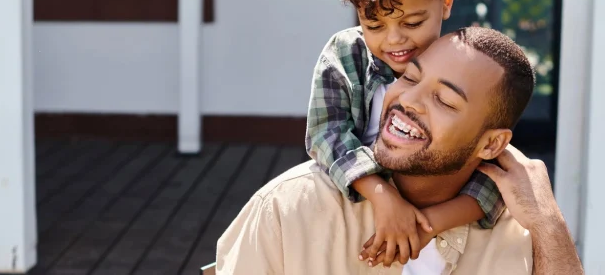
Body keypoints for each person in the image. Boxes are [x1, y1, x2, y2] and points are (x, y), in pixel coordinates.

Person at [218, 27, 583, 274]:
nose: (408, 100)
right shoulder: (289, 209)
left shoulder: (520, 238)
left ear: (491, 144)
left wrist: (548, 223)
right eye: (409, 77)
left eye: (443, 100)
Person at [305, 0, 506, 266]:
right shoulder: (346, 55)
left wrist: (428, 222)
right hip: (354, 212)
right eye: (373, 25)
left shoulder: (466, 66)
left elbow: (496, 173)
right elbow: (325, 133)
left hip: (441, 232)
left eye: (412, 23)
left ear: (446, 1)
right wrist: (383, 196)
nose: (394, 39)